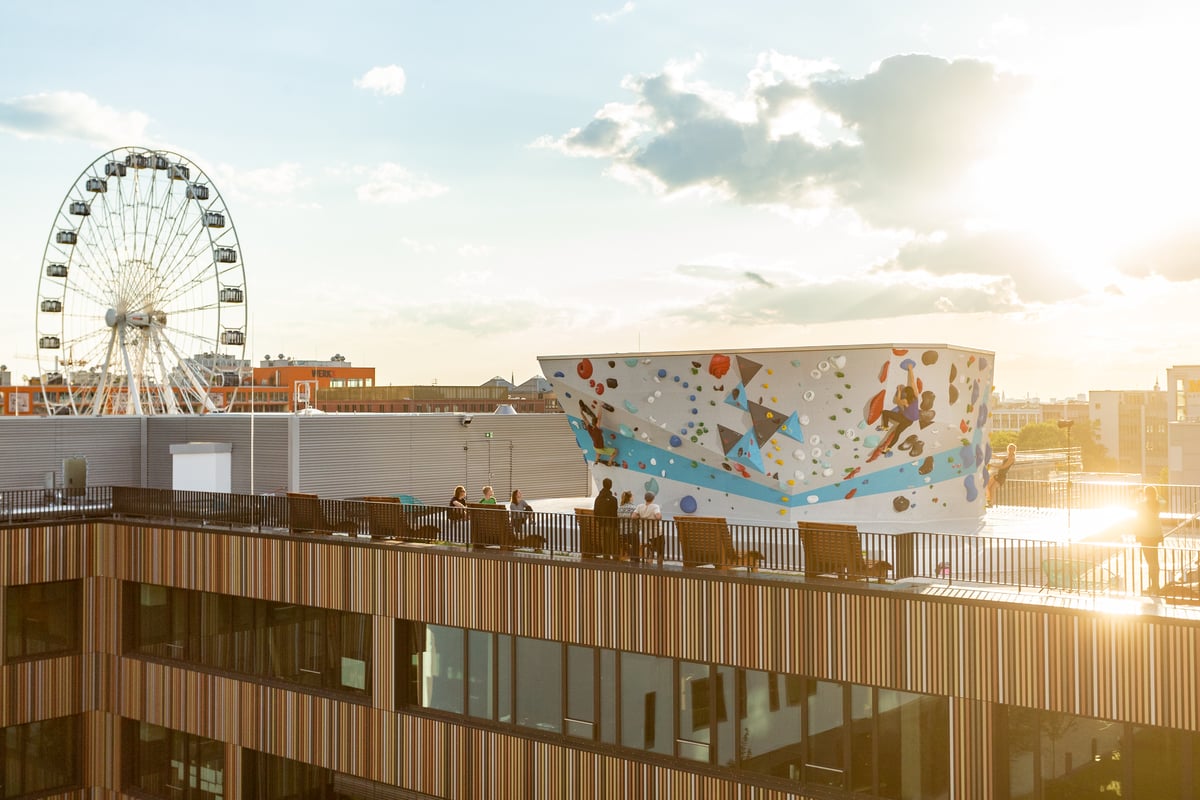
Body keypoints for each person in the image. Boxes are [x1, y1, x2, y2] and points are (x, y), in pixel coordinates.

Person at [1137, 485, 1164, 594]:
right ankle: (1155, 586)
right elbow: (1163, 499)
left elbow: (1138, 521)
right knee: (1155, 561)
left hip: (1145, 536)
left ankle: (1154, 586)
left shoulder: (1142, 505)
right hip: (1156, 535)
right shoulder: (1158, 504)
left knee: (1150, 562)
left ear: (1145, 494)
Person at [593, 477, 619, 558]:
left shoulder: (598, 498)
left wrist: (599, 520)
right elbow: (615, 512)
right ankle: (615, 557)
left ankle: (606, 556)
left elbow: (596, 512)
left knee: (605, 541)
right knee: (613, 541)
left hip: (602, 523)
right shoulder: (613, 499)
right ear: (611, 486)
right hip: (611, 524)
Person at [634, 491, 664, 561]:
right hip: (657, 533)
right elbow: (658, 517)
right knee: (660, 552)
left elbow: (633, 516)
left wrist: (642, 517)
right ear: (653, 498)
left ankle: (648, 567)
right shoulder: (655, 506)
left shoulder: (639, 506)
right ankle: (660, 568)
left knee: (649, 551)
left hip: (646, 534)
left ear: (645, 498)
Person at [986, 443, 1017, 508]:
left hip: (1002, 476)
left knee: (992, 488)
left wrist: (992, 465)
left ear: (1014, 450)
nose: (1010, 449)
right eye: (1009, 448)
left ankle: (991, 503)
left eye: (1011, 448)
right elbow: (998, 457)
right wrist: (989, 453)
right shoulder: (1007, 456)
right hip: (998, 474)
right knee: (988, 486)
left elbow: (1003, 467)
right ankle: (988, 501)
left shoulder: (1012, 458)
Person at [617, 490, 638, 559]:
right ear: (630, 498)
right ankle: (635, 558)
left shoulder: (619, 508)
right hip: (631, 533)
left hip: (621, 533)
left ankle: (626, 555)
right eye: (632, 497)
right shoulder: (634, 508)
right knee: (636, 543)